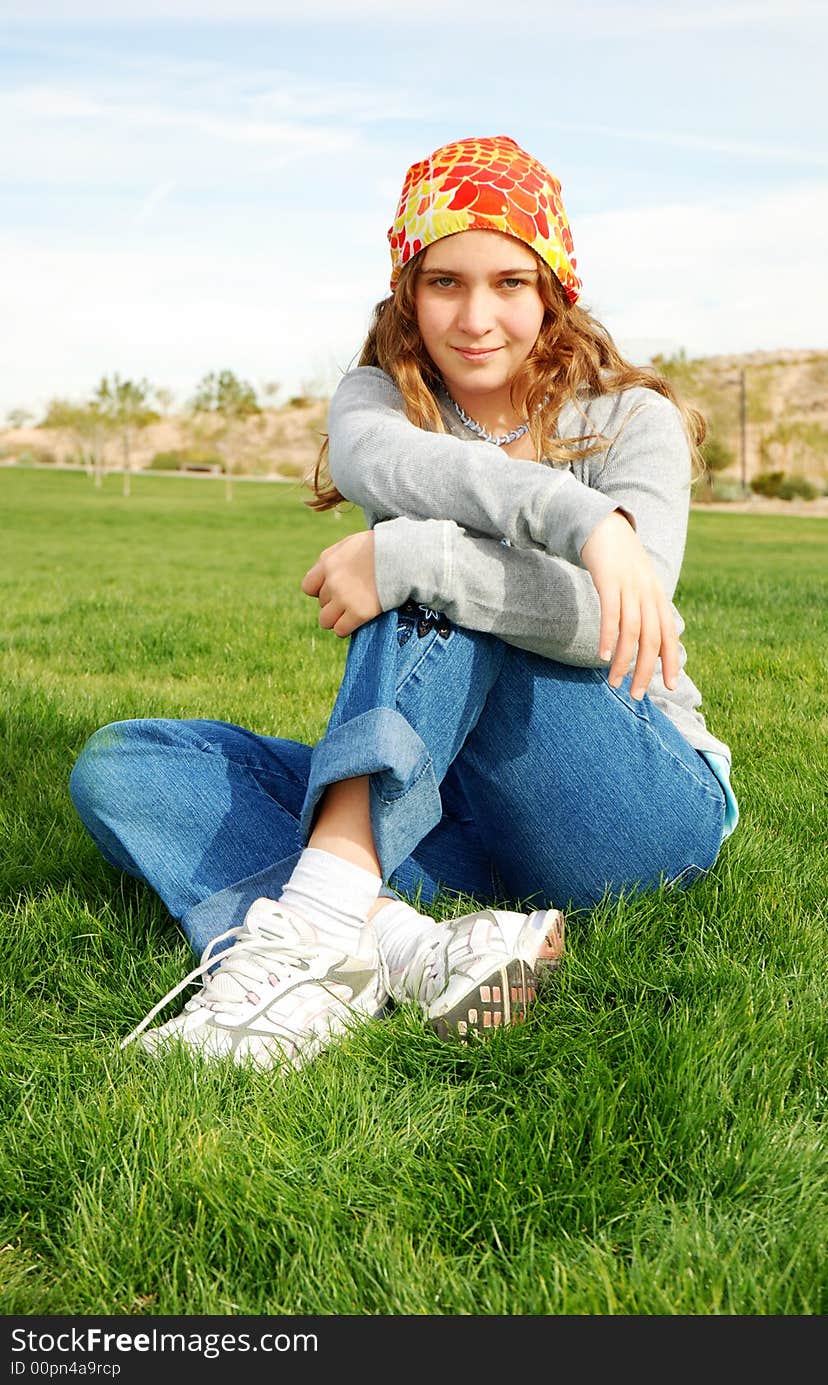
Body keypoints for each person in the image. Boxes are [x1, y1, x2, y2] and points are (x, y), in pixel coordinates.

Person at [69, 133, 738, 1069]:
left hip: (631, 806)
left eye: (510, 281)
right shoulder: (378, 403)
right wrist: (577, 520)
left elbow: (609, 629)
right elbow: (395, 470)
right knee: (126, 762)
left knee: (432, 569)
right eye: (444, 282)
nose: (476, 316)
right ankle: (406, 941)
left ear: (554, 288)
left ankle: (310, 927)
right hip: (454, 810)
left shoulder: (632, 420)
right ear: (406, 291)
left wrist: (409, 551)